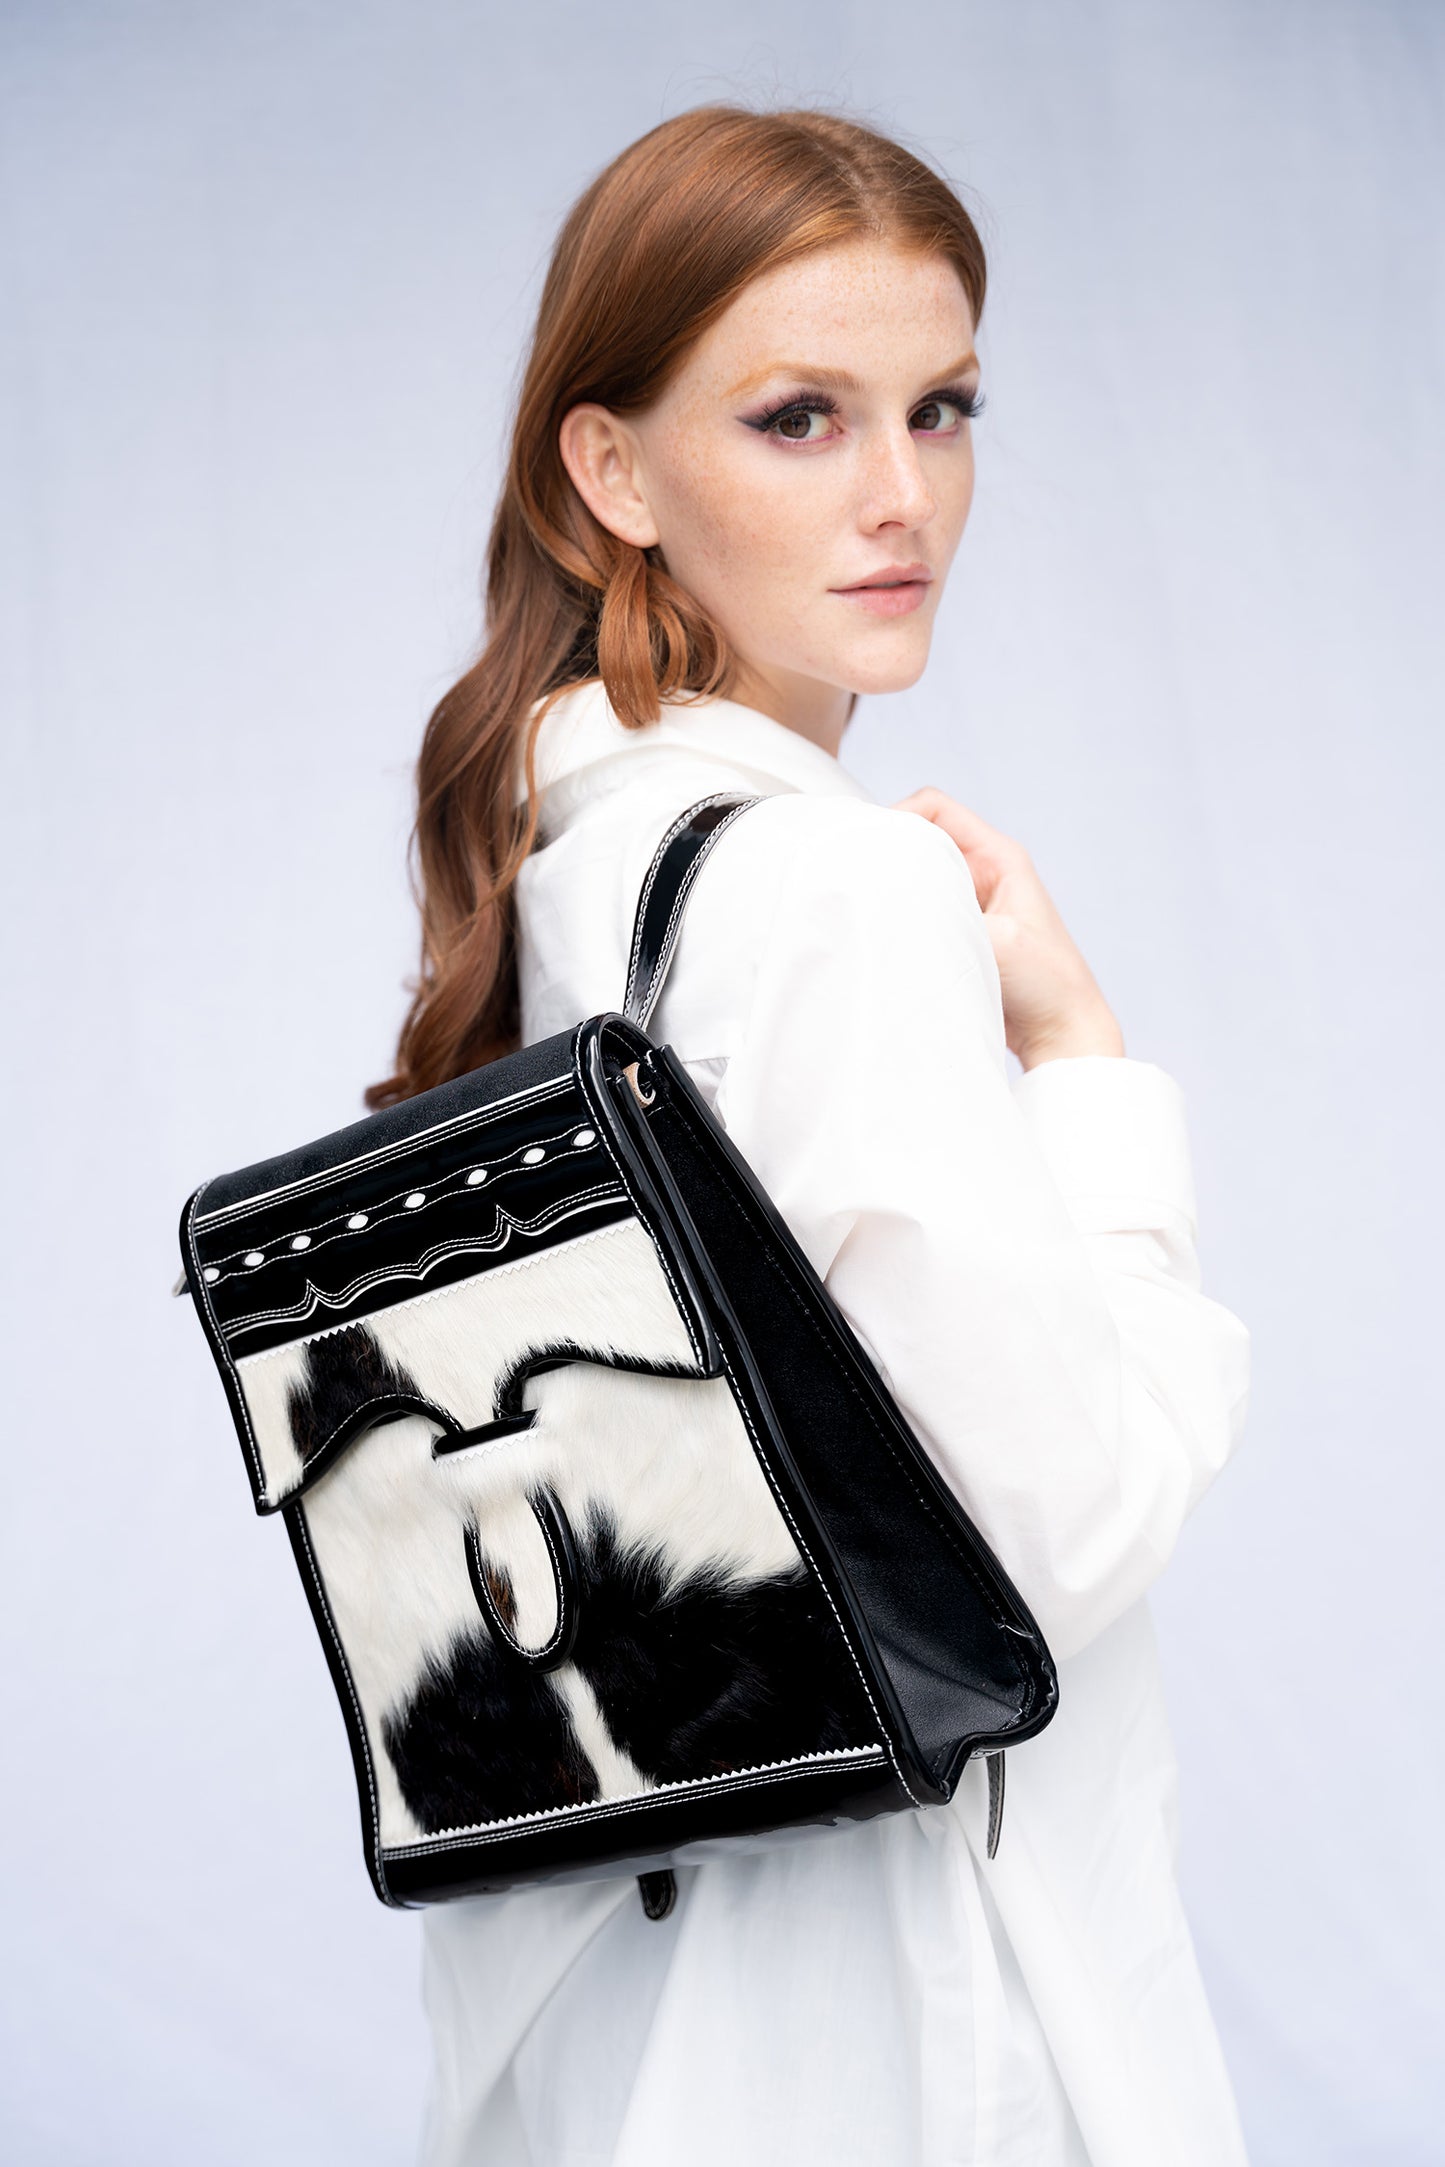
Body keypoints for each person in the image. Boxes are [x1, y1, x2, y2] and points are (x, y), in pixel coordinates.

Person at [366, 104, 1253, 2167]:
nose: (899, 495)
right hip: (905, 2030)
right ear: (613, 474)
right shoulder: (836, 894)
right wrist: (1094, 1075)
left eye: (940, 410)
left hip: (635, 2016)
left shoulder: (577, 869)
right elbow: (1043, 1551)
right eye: (797, 419)